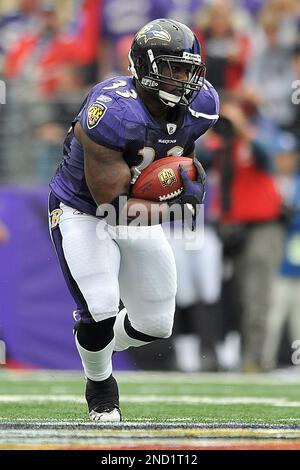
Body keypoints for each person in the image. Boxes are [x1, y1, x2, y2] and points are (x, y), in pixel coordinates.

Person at [49, 18, 219, 422]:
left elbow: (178, 154)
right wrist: (180, 199)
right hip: (85, 210)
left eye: (188, 69)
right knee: (102, 307)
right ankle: (101, 386)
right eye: (172, 68)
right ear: (143, 66)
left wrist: (185, 174)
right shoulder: (112, 111)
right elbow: (114, 205)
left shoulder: (202, 104)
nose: (183, 79)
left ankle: (97, 342)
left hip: (135, 211)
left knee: (157, 324)